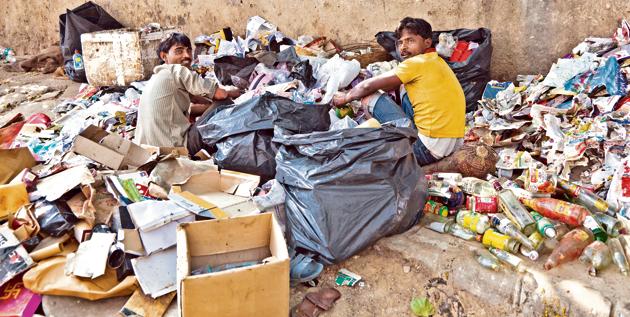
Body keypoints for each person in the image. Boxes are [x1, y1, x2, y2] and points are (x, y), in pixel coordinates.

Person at [332, 17, 465, 166]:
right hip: (450, 146)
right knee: (402, 87)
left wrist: (345, 98)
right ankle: (396, 135)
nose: (403, 47)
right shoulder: (436, 61)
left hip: (424, 150)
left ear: (427, 42)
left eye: (410, 41)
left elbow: (366, 87)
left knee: (369, 96)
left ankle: (384, 142)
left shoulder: (415, 63)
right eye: (400, 42)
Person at [135, 33, 240, 148]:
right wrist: (237, 93)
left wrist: (209, 104)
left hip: (148, 152)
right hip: (177, 149)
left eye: (189, 51)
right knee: (224, 104)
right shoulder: (176, 70)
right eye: (179, 51)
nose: (187, 56)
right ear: (164, 56)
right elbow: (221, 95)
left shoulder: (158, 77)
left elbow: (196, 100)